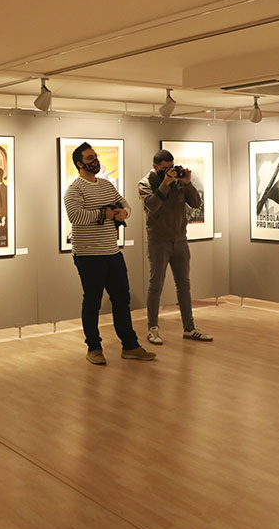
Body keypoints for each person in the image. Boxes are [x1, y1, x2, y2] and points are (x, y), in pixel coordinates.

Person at [64, 142, 156, 365]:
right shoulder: (74, 190)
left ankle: (130, 345)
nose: (94, 161)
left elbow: (127, 206)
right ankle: (94, 348)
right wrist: (104, 214)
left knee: (121, 299)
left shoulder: (106, 185)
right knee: (92, 302)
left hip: (112, 252)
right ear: (79, 163)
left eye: (95, 156)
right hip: (88, 256)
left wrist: (123, 212)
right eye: (89, 158)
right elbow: (75, 216)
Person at [137, 150, 213, 345]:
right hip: (158, 241)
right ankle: (152, 329)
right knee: (156, 286)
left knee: (184, 285)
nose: (169, 171)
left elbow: (196, 203)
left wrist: (187, 183)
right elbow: (152, 206)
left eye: (171, 167)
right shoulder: (146, 183)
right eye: (164, 169)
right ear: (155, 167)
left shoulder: (179, 181)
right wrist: (165, 183)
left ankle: (189, 328)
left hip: (180, 240)